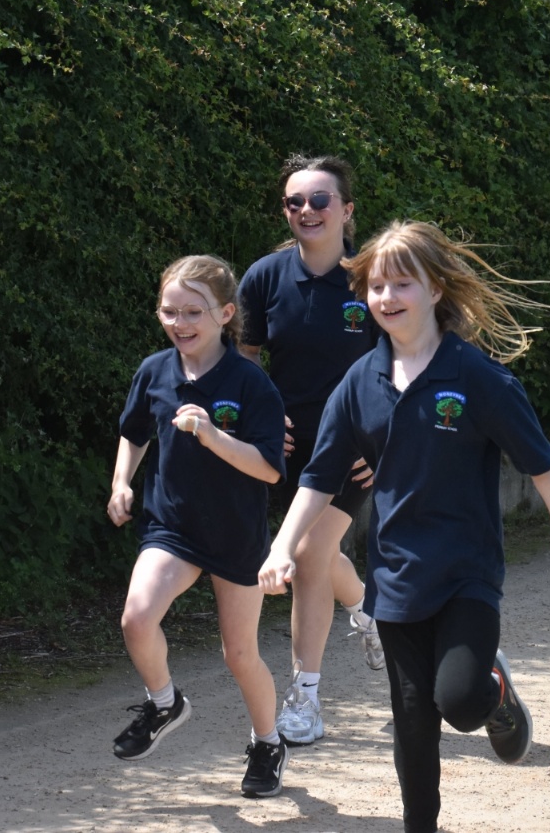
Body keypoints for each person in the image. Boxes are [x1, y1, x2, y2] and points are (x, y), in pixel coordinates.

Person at [258, 220, 550, 833]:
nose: (387, 297)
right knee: (414, 720)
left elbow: (540, 460)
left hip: (466, 572)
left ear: (436, 289)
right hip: (396, 577)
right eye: (376, 286)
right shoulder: (358, 383)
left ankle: (494, 692)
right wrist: (283, 547)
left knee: (460, 704)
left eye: (402, 284)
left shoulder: (475, 375)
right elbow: (318, 478)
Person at [106, 255, 290, 798]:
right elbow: (135, 432)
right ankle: (165, 704)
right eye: (170, 311)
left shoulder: (251, 383)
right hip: (173, 527)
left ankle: (268, 743)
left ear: (225, 314)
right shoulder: (154, 371)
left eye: (193, 311)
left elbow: (269, 468)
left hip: (236, 534)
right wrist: (121, 483)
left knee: (240, 655)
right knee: (137, 618)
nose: (180, 322)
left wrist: (213, 435)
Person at [238, 154, 383, 747]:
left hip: (353, 447)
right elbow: (245, 361)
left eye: (320, 200)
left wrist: (382, 438)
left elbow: (401, 364)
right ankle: (369, 613)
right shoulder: (263, 278)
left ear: (346, 211)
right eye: (295, 201)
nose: (307, 210)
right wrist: (261, 420)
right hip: (288, 448)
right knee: (315, 556)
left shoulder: (371, 278)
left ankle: (305, 698)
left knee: (306, 553)